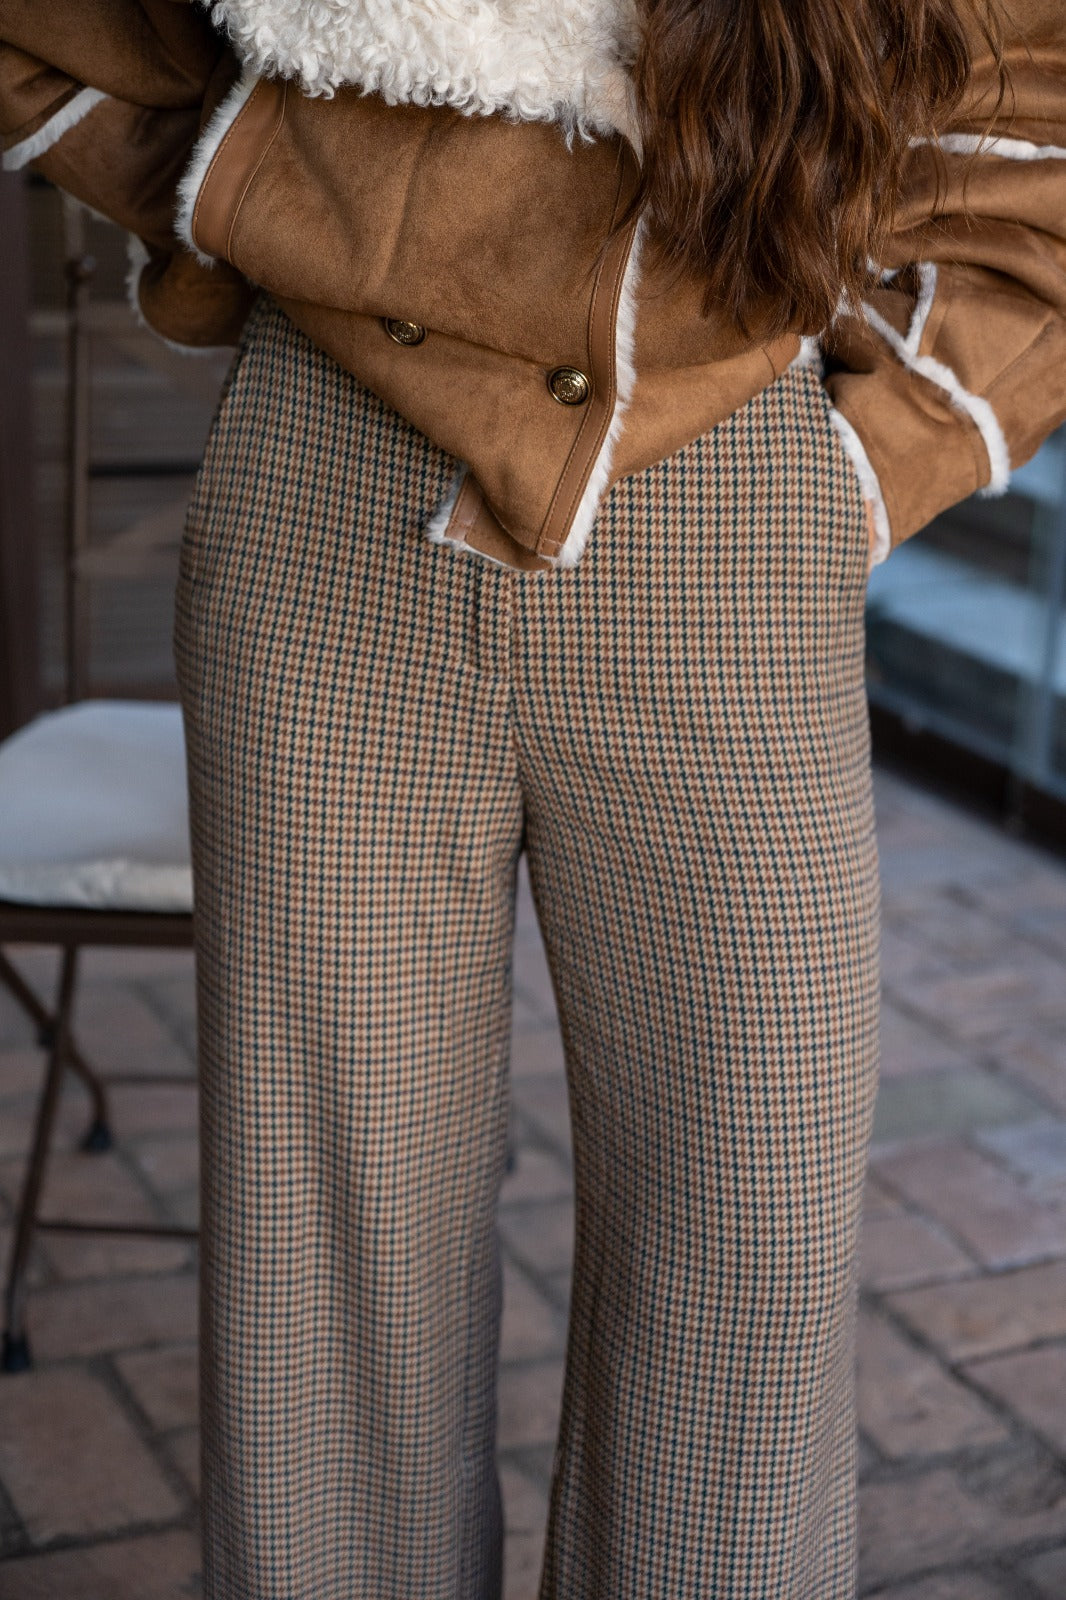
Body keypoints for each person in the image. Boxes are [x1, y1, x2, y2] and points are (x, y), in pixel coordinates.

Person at [2, 1, 1065, 1595]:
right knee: (324, 1240)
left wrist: (860, 462)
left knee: (753, 1226)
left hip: (726, 500)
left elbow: (1039, 109)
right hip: (328, 485)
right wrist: (254, 191)